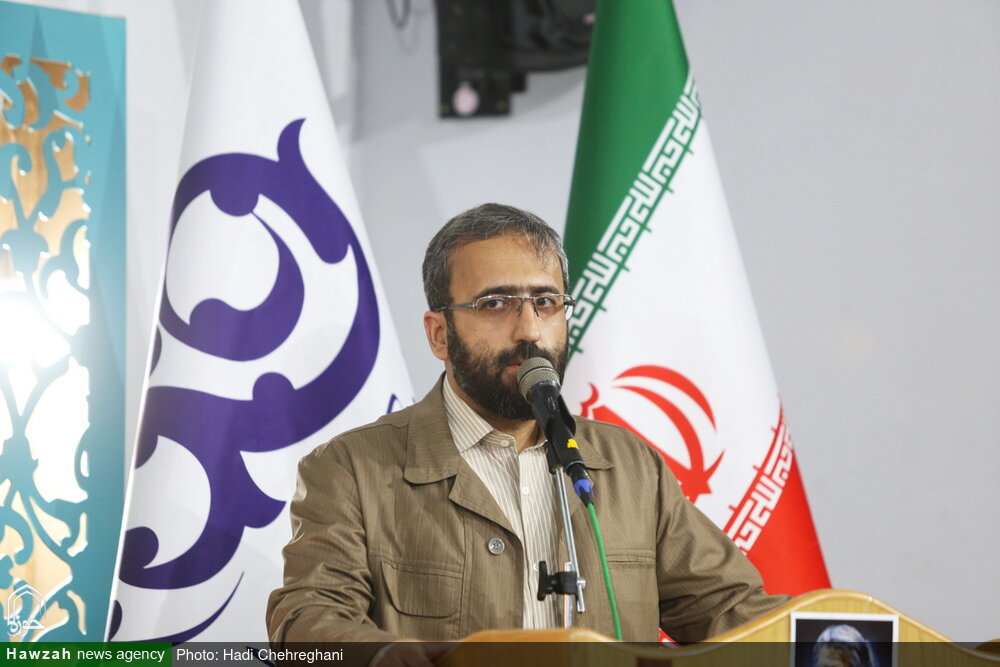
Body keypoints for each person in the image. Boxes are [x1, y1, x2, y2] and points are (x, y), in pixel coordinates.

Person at [266, 204, 790, 665]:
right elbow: (306, 617)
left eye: (546, 302)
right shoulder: (352, 468)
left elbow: (729, 610)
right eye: (495, 304)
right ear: (440, 334)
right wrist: (376, 654)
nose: (530, 330)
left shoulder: (630, 466)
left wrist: (825, 643)